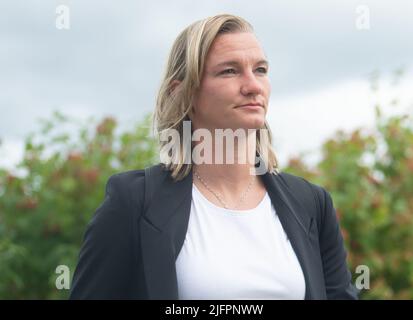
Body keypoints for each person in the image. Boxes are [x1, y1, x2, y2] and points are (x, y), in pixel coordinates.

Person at [70, 14, 359, 300]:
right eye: (229, 71)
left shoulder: (311, 205)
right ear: (183, 92)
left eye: (260, 70)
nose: (253, 86)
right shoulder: (133, 203)